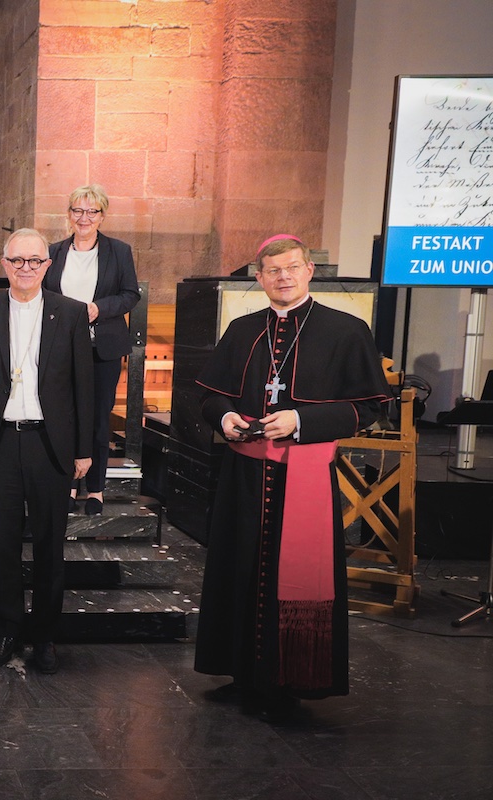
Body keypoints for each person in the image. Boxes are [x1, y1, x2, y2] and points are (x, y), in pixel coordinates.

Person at [195, 234, 391, 720]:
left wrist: (301, 421)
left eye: (292, 268)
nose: (283, 277)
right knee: (240, 567)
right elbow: (210, 397)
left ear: (309, 272)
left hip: (301, 477)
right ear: (258, 277)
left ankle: (289, 678)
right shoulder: (242, 330)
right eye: (272, 270)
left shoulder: (346, 331)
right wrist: (225, 420)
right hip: (244, 473)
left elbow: (368, 406)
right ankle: (242, 671)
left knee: (292, 572)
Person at [0, 228, 95, 673]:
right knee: (2, 546)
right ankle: (7, 631)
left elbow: (83, 389)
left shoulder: (71, 313)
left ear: (46, 265)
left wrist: (83, 450)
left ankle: (45, 637)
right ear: (4, 266)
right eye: (17, 261)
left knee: (49, 547)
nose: (25, 268)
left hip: (49, 444)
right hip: (0, 443)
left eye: (34, 261)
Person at [42, 184, 140, 515]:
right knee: (65, 418)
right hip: (60, 349)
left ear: (102, 216)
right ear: (68, 214)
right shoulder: (52, 252)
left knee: (98, 420)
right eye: (78, 211)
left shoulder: (119, 251)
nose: (84, 218)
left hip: (103, 349)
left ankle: (95, 489)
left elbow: (130, 294)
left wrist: (100, 307)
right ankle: (68, 485)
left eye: (92, 211)